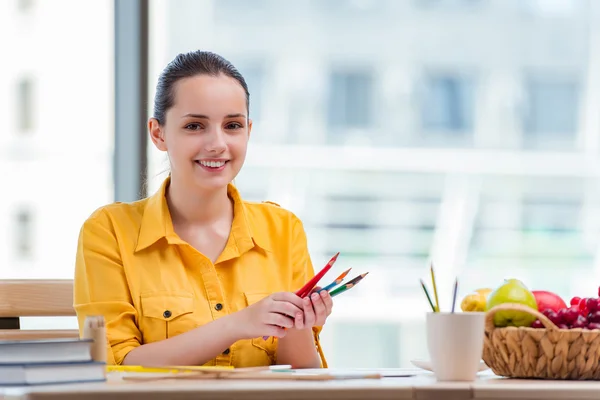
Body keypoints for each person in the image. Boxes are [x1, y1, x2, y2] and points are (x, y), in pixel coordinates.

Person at [73, 50, 332, 368]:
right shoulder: (108, 231)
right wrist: (237, 324)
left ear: (248, 131)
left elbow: (302, 379)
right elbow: (115, 366)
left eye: (232, 125)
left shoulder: (284, 229)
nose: (217, 143)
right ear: (159, 133)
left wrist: (298, 325)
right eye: (195, 126)